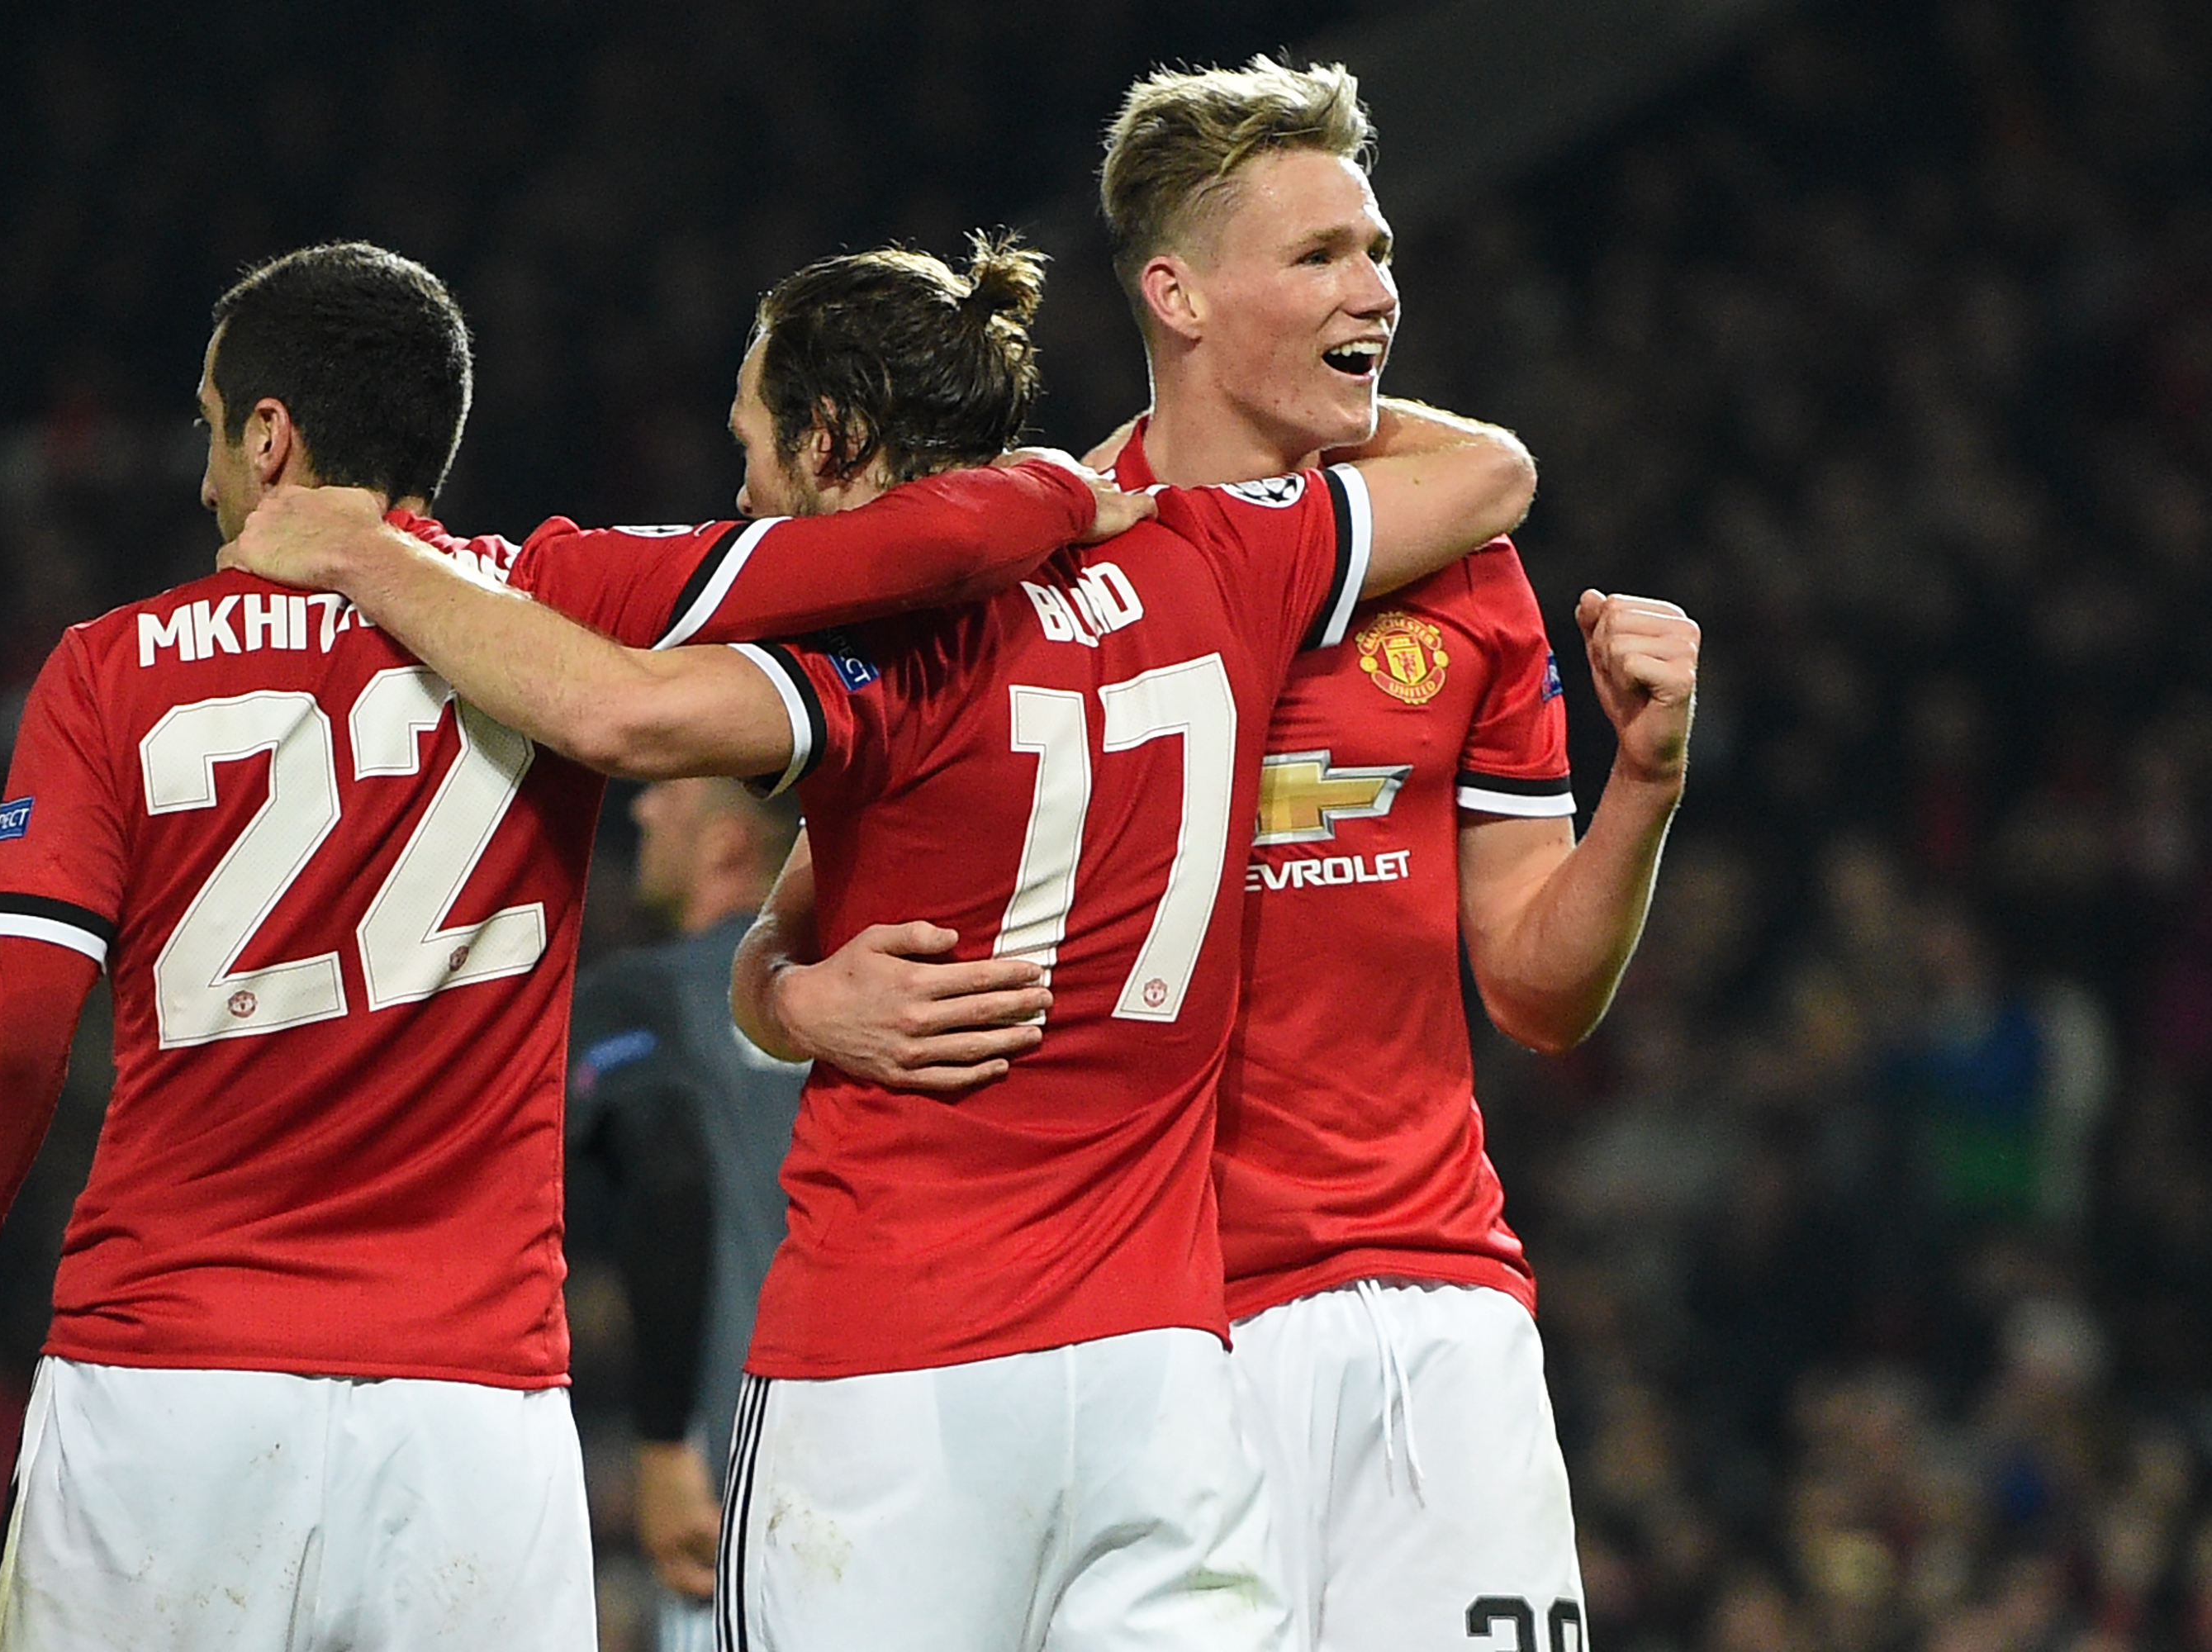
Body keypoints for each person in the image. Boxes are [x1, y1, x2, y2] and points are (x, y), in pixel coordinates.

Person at [222, 232, 1536, 1652]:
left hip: (895, 1369)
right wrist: (785, 990)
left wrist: (362, 556)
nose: (742, 493)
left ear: (833, 441)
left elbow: (619, 715)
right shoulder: (1221, 556)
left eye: (753, 445)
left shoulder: (883, 646)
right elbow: (1485, 475)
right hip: (1161, 1388)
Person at [0, 239, 1142, 1650]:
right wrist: (1064, 484)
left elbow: (15, 1031)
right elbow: (926, 540)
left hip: (165, 1395)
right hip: (471, 1420)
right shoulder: (550, 600)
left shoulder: (106, 670)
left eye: (212, 429)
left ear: (269, 439)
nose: (207, 476)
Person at [733, 60, 1702, 1652]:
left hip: (1426, 1309)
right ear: (1175, 294)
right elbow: (786, 941)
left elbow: (1539, 988)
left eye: (1377, 249)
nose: (1375, 288)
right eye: (1319, 254)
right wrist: (797, 1001)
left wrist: (1645, 789)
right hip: (1147, 1339)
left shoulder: (1463, 573)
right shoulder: (1046, 564)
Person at [566, 778, 808, 1652]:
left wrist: (664, 1440)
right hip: (898, 1430)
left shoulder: (643, 998)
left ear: (727, 842)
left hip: (726, 1466)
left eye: (669, 792)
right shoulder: (877, 993)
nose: (641, 810)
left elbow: (664, 1178)